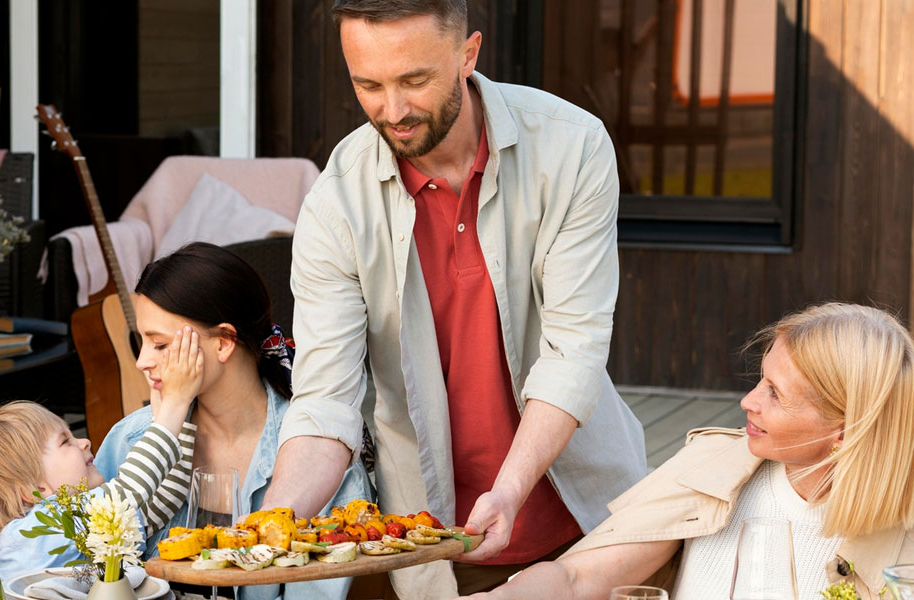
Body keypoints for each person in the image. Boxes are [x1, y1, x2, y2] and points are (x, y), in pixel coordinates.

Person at [262, 0, 649, 595]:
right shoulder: (335, 203)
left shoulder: (571, 148)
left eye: (414, 80)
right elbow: (326, 404)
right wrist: (273, 524)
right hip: (435, 541)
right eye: (368, 85)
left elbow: (574, 353)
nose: (393, 110)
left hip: (588, 524)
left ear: (468, 54)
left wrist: (511, 487)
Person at [471, 302, 914, 600]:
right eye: (761, 379)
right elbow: (574, 578)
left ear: (844, 429)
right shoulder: (712, 467)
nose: (748, 401)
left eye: (775, 394)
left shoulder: (901, 540)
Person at [94, 242, 374, 600]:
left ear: (224, 342)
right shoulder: (130, 442)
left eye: (160, 345)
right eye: (141, 343)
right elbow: (83, 564)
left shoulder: (321, 460)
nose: (142, 361)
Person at [0, 327, 201, 584]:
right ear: (35, 488)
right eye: (65, 441)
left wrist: (175, 403)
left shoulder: (68, 529)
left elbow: (162, 503)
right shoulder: (37, 530)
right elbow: (132, 489)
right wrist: (176, 402)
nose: (85, 442)